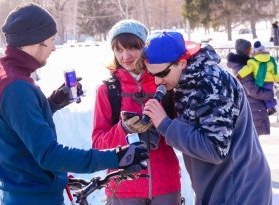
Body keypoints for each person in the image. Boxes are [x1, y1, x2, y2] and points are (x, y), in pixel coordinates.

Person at [0, 3, 148, 205]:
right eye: (51, 40)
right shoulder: (18, 88)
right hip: (34, 198)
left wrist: (52, 103)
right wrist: (118, 157)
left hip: (19, 192)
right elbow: (49, 155)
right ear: (36, 41)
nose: (54, 47)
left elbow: (18, 125)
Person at [130, 30, 272, 204]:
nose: (158, 81)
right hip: (217, 188)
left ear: (181, 63)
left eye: (162, 74)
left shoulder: (212, 84)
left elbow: (214, 149)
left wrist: (166, 125)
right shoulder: (186, 81)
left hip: (239, 190)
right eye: (153, 75)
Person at [92, 20, 182, 205]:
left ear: (144, 47)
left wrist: (162, 124)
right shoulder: (108, 90)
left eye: (133, 47)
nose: (125, 56)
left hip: (166, 186)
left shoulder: (165, 81)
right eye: (119, 50)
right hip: (123, 189)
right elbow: (98, 143)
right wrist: (123, 129)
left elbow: (186, 132)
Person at [227, 39, 274, 135]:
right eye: (250, 49)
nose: (252, 51)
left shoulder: (245, 64)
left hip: (253, 106)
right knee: (253, 142)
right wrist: (270, 94)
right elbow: (252, 90)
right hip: (253, 106)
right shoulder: (241, 67)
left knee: (253, 142)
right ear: (245, 51)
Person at [237, 40, 279, 115]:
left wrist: (240, 75)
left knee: (263, 94)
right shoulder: (271, 60)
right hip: (269, 82)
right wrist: (277, 80)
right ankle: (271, 106)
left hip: (259, 81)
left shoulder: (253, 61)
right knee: (268, 94)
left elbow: (247, 69)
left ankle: (270, 107)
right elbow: (275, 72)